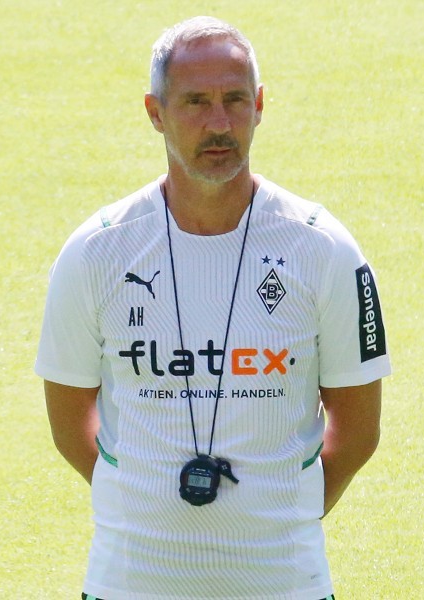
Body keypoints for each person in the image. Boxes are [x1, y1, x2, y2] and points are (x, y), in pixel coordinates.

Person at [35, 16, 391, 600]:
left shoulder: (323, 249)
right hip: (129, 583)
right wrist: (140, 508)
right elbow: (69, 419)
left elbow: (357, 431)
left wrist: (277, 517)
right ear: (155, 113)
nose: (220, 123)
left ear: (259, 106)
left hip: (284, 583)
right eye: (196, 102)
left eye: (234, 100)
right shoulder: (95, 252)